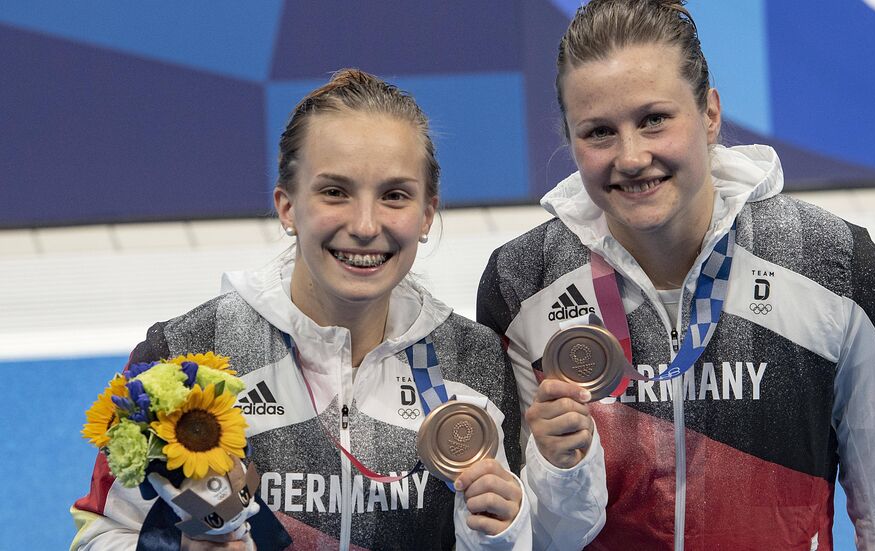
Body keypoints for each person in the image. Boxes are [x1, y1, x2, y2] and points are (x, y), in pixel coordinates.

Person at [477, 1, 875, 549]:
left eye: (654, 119)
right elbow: (516, 532)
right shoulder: (523, 283)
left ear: (710, 114)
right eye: (599, 132)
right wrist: (560, 470)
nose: (631, 156)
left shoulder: (831, 262)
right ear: (569, 138)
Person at [69, 69, 597, 551]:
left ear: (427, 214)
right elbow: (101, 533)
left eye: (395, 195)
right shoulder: (186, 356)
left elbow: (537, 538)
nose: (365, 225)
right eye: (335, 192)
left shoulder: (473, 362)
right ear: (287, 206)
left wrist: (500, 534)